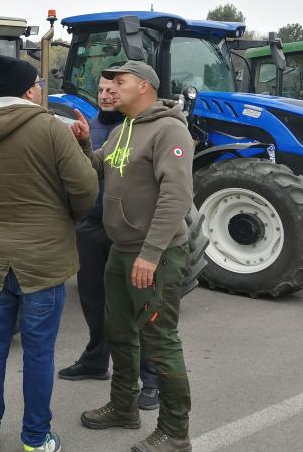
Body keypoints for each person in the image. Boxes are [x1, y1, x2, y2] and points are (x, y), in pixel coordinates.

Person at [0, 54, 99, 452]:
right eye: (39, 86)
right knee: (38, 354)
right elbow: (85, 190)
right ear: (30, 89)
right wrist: (67, 213)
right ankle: (35, 439)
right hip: (43, 264)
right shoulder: (50, 129)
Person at [71, 61, 194, 452]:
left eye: (120, 82)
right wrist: (82, 142)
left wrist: (151, 253)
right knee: (119, 333)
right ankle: (124, 407)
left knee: (160, 342)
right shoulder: (124, 128)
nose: (111, 88)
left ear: (144, 86)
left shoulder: (170, 130)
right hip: (121, 251)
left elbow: (177, 196)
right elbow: (98, 167)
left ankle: (175, 433)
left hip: (153, 256)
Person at [59, 77, 161, 411]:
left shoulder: (140, 130)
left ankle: (151, 379)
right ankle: (95, 360)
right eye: (101, 89)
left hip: (129, 235)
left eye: (112, 88)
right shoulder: (88, 129)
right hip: (91, 227)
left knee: (138, 308)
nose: (106, 94)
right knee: (93, 300)